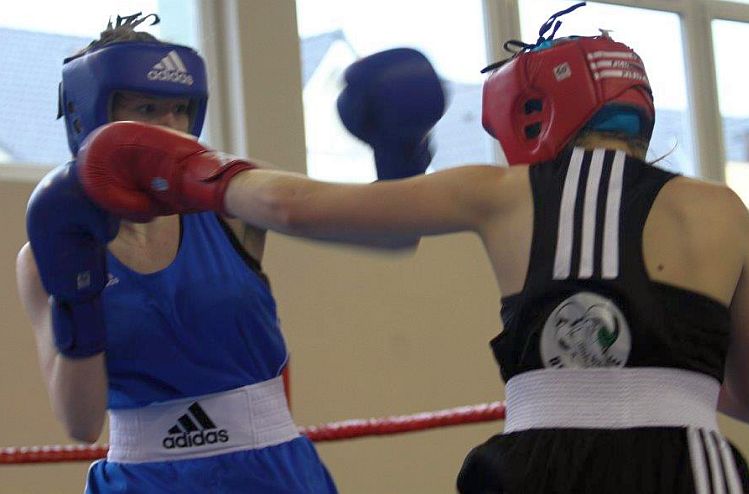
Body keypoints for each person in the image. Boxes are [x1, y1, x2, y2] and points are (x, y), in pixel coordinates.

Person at [69, 5, 749, 494]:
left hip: (540, 466)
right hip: (696, 465)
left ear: (531, 109)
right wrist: (655, 375)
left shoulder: (503, 192)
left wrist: (187, 171)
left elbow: (295, 206)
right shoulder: (723, 208)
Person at [16, 13, 444, 494]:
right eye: (147, 109)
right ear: (87, 117)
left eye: (180, 109)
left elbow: (390, 234)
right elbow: (81, 422)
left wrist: (402, 156)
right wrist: (77, 289)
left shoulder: (230, 196)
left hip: (269, 474)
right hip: (141, 480)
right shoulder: (45, 253)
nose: (170, 128)